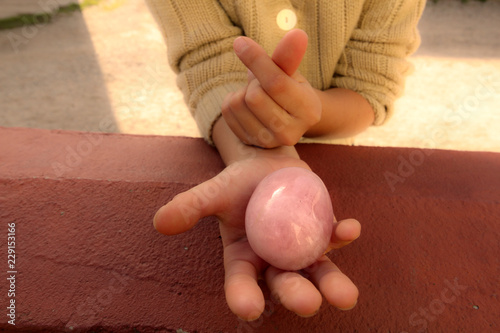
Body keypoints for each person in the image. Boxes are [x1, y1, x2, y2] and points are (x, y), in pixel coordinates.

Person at [147, 0, 425, 321]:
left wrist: (310, 112)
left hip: (332, 142)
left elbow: (371, 84)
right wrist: (259, 150)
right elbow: (207, 65)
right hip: (239, 144)